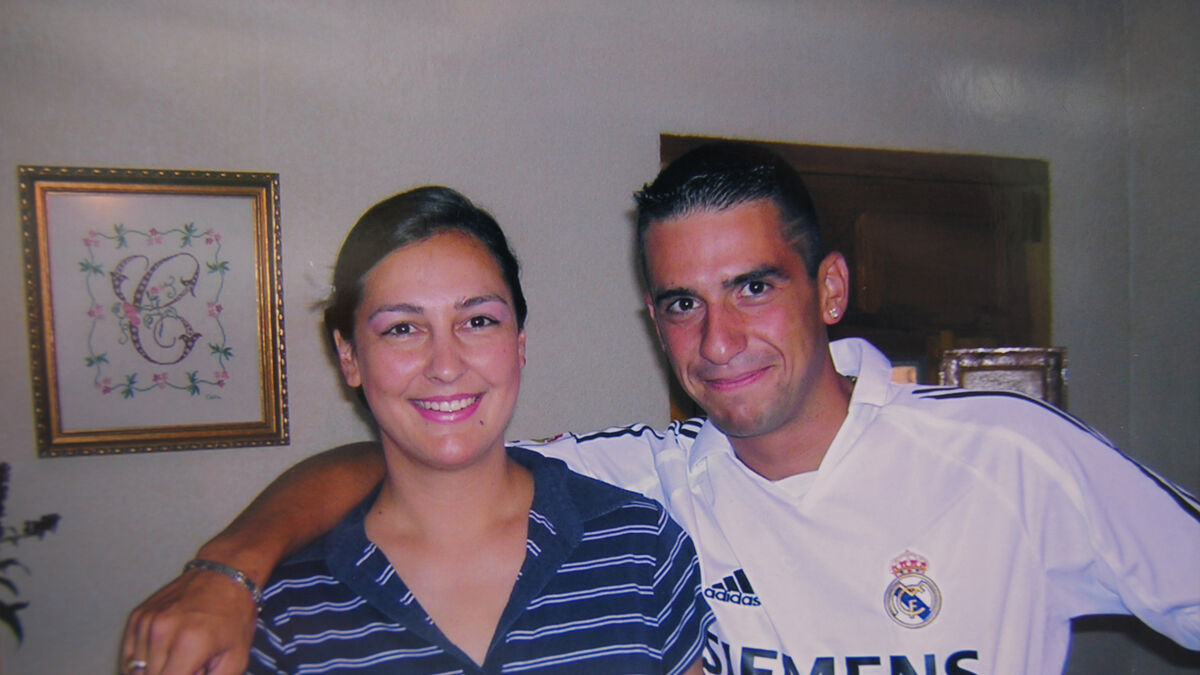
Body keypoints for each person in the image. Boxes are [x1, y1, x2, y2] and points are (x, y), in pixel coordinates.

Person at [121, 144, 1200, 675]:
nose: (717, 340)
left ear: (828, 288)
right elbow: (427, 447)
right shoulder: (648, 481)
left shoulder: (1010, 455)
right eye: (683, 302)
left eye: (754, 287)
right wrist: (231, 568)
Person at [145, 186, 712, 675]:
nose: (445, 365)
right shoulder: (286, 607)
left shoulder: (638, 548)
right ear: (349, 356)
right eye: (402, 328)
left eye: (478, 321)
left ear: (519, 343)